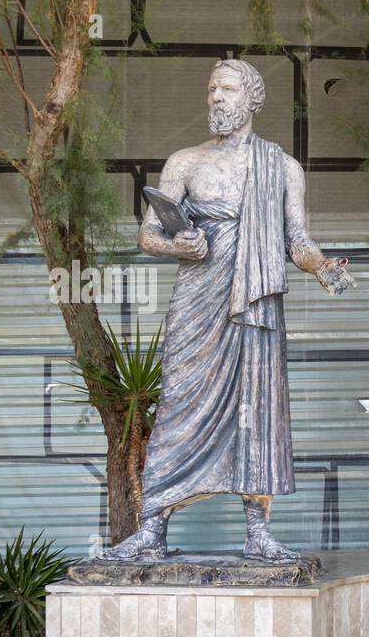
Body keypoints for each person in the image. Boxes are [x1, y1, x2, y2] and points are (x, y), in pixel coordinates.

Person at [100, 59, 354, 563]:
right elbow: (149, 234)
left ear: (252, 100)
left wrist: (324, 267)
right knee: (178, 404)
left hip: (255, 304)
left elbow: (296, 241)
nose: (216, 97)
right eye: (212, 88)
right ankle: (152, 528)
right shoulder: (185, 162)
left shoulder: (281, 167)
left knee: (256, 411)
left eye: (228, 89)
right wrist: (178, 247)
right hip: (198, 301)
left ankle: (257, 532)